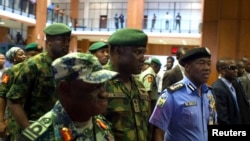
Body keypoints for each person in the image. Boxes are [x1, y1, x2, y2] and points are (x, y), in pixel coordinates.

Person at [18, 52, 118, 141]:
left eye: (103, 84)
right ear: (65, 89)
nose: (104, 94)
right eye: (95, 86)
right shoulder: (40, 136)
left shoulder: (99, 122)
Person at [6, 23, 71, 137]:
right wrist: (31, 132)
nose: (66, 44)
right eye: (61, 40)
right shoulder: (34, 65)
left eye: (68, 40)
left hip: (61, 128)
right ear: (49, 41)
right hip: (36, 127)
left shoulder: (68, 65)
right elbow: (13, 101)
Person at [149, 47, 215, 141]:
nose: (207, 68)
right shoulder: (171, 95)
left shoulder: (209, 93)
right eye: (201, 63)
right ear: (187, 67)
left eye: (209, 64)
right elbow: (158, 132)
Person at [104, 28, 150, 141]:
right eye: (138, 52)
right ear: (118, 51)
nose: (142, 58)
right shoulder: (98, 84)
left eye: (143, 53)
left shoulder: (139, 86)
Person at [211, 57, 250, 125]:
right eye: (232, 68)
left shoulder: (234, 84)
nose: (236, 70)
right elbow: (223, 118)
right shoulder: (218, 88)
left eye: (236, 67)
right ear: (222, 71)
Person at [0, 47, 26, 141]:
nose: (24, 56)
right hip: (11, 113)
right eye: (20, 54)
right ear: (13, 58)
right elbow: (3, 94)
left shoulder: (27, 70)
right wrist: (2, 120)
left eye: (24, 54)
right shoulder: (9, 72)